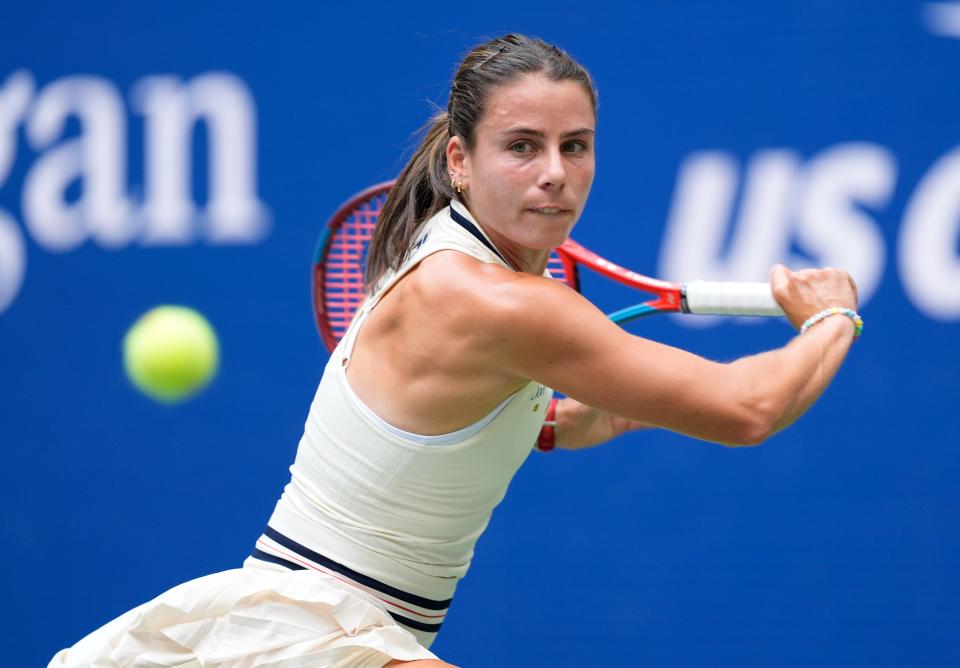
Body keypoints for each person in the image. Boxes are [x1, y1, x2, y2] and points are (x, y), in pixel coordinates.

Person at [50, 33, 860, 668]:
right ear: (460, 161)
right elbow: (749, 410)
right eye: (523, 146)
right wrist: (830, 320)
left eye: (575, 146)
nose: (554, 174)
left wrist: (613, 414)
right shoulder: (503, 302)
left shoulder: (441, 251)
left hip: (299, 629)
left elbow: (536, 424)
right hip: (317, 640)